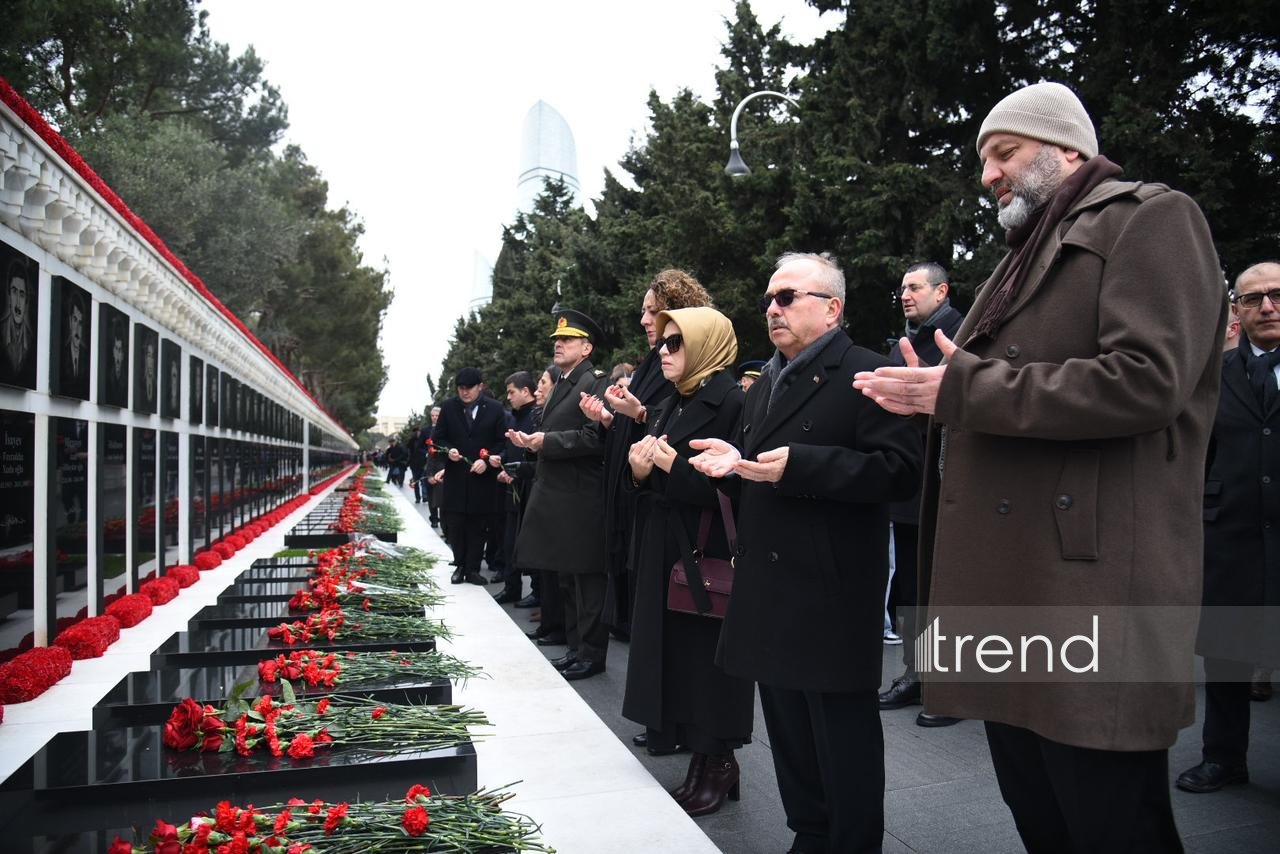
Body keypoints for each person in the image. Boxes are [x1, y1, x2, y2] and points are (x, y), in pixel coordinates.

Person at [853, 81, 1225, 851]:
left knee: (1111, 822)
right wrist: (940, 398)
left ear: (1066, 150)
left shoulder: (1153, 217)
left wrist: (963, 388)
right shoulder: (1027, 254)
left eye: (1004, 152)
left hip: (1088, 582)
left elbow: (1147, 381)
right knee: (1043, 816)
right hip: (1020, 584)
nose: (987, 175)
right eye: (984, 158)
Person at [690, 252, 921, 852]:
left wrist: (804, 466)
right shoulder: (766, 380)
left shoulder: (869, 371)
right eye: (769, 299)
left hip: (831, 589)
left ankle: (852, 841)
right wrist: (730, 463)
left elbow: (900, 472)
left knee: (842, 737)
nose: (773, 308)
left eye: (788, 297)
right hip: (770, 589)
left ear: (832, 308)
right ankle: (810, 834)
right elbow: (757, 469)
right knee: (788, 732)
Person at [622, 306, 753, 817]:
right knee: (677, 657)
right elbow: (654, 475)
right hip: (669, 545)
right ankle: (703, 760)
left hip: (706, 549)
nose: (664, 352)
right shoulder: (675, 401)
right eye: (664, 343)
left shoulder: (731, 403)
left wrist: (671, 467)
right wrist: (638, 471)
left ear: (704, 345)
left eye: (676, 343)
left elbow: (733, 486)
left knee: (707, 660)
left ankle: (717, 760)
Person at [1177, 261, 1280, 794]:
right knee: (1227, 658)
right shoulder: (1213, 375)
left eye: (1277, 296)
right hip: (1230, 535)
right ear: (1236, 311)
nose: (1267, 306)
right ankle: (1224, 757)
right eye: (1253, 298)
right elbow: (1197, 453)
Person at [580, 270, 714, 651]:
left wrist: (638, 413)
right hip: (634, 495)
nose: (643, 320)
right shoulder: (655, 360)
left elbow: (678, 420)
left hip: (666, 508)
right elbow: (641, 420)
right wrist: (610, 419)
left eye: (652, 311)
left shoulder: (684, 361)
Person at [878, 261, 965, 728]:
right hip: (912, 482)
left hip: (953, 481)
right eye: (903, 288)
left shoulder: (963, 335)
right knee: (913, 586)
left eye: (915, 287)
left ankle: (952, 685)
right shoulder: (903, 343)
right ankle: (917, 674)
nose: (905, 294)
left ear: (942, 290)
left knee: (949, 586)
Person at [509, 310, 611, 680]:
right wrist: (531, 443)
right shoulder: (566, 382)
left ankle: (591, 654)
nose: (558, 344)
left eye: (567, 340)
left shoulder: (594, 382)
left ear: (586, 347)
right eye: (557, 339)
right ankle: (575, 648)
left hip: (583, 498)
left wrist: (545, 441)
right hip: (563, 497)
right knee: (569, 581)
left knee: (588, 584)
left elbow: (593, 438)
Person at [431, 368, 508, 585]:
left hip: (482, 480)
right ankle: (459, 566)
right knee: (455, 524)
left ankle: (473, 569)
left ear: (480, 387)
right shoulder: (448, 407)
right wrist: (449, 451)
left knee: (477, 525)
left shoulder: (494, 408)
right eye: (461, 389)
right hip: (455, 478)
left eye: (469, 389)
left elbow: (501, 442)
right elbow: (438, 439)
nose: (464, 393)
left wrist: (487, 460)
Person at [494, 370, 539, 605]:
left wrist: (516, 472)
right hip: (513, 488)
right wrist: (500, 459)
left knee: (531, 542)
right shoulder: (514, 416)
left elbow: (533, 453)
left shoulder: (536, 415)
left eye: (512, 392)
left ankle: (538, 593)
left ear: (525, 391)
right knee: (509, 540)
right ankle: (511, 587)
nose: (508, 397)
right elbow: (510, 448)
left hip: (530, 487)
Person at [2, 259, 33, 383]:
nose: (18, 304)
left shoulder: (31, 339)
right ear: (9, 296)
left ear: (26, 301)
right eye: (14, 292)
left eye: (22, 294)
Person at [408, 423, 429, 503]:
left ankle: (424, 496)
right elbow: (409, 453)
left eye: (420, 432)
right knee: (416, 481)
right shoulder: (411, 442)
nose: (418, 433)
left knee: (423, 480)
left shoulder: (424, 442)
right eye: (417, 432)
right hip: (414, 464)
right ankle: (417, 498)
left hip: (423, 463)